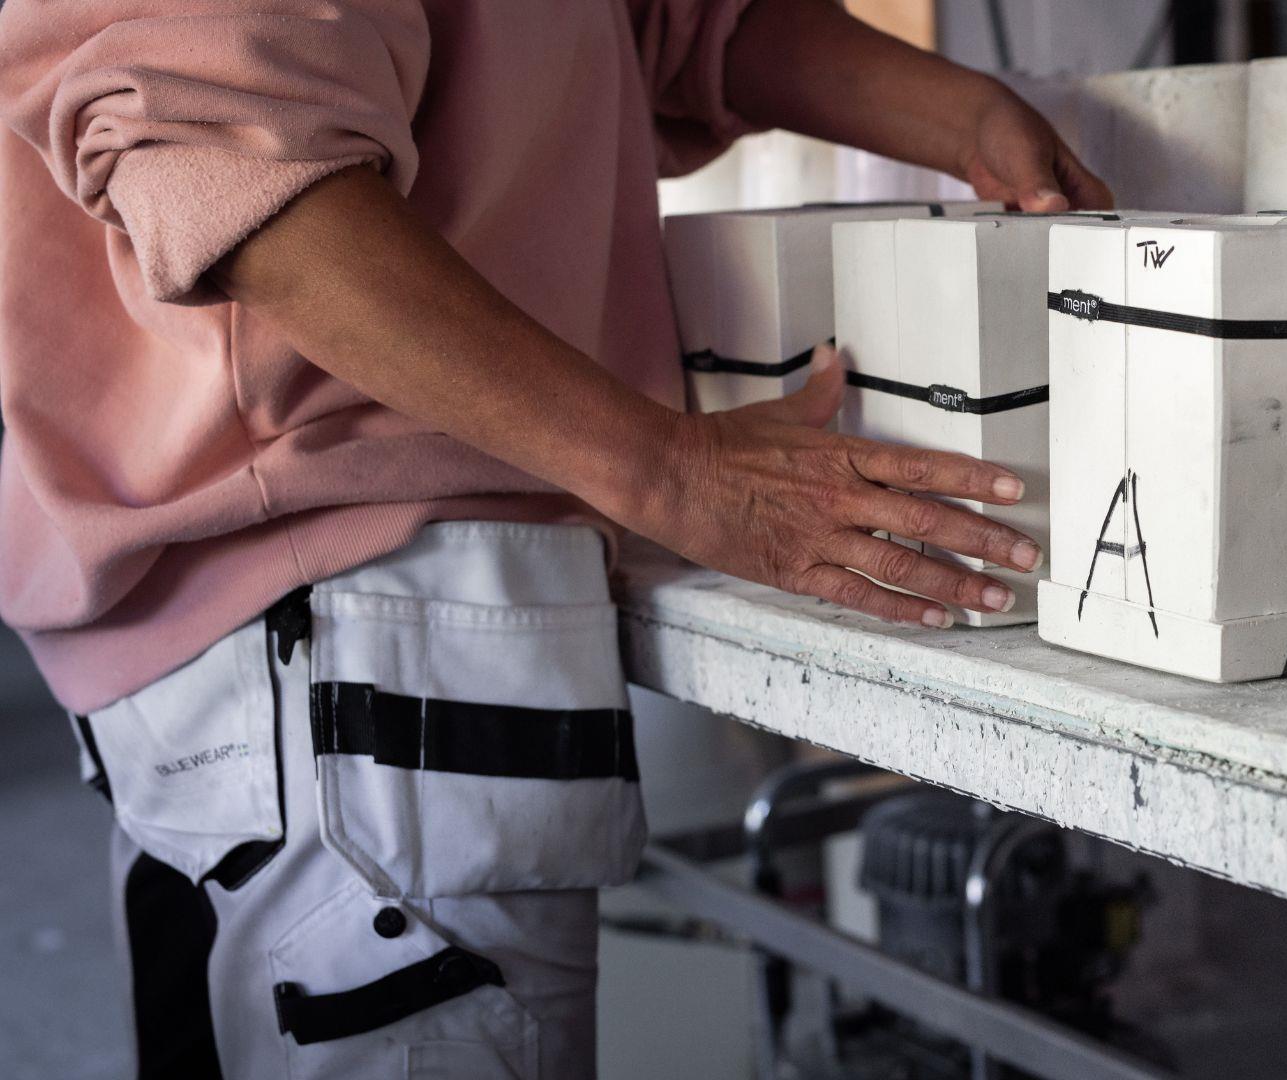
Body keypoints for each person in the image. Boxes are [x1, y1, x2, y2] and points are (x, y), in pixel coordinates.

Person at [0, 0, 1112, 1074]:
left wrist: (965, 117)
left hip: (340, 632)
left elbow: (659, 24)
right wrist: (670, 472)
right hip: (342, 617)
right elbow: (230, 166)